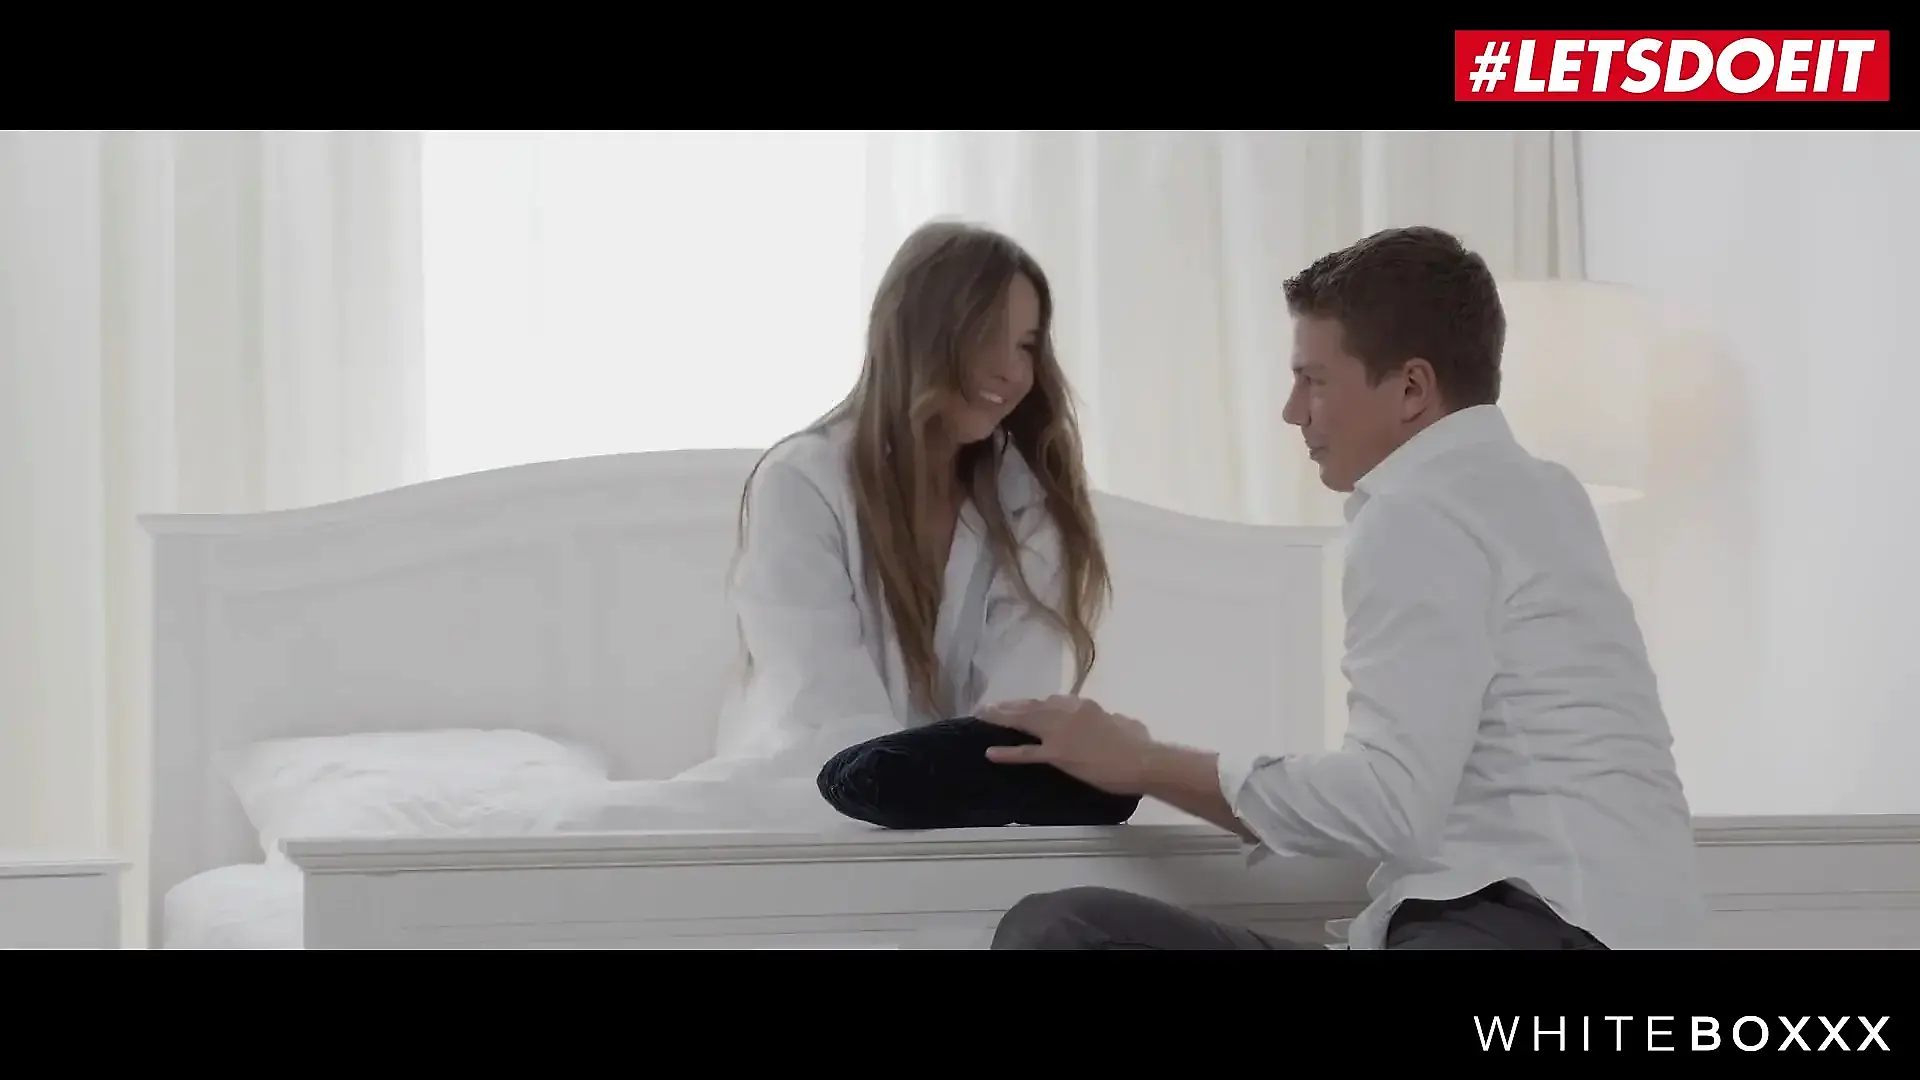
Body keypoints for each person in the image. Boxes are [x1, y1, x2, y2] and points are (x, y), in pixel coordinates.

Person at [981, 225, 1708, 950]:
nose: (1293, 411)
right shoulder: (1547, 494)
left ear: (1412, 389)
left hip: (1524, 930)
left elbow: (1390, 803)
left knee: (1060, 931)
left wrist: (1142, 761)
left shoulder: (1418, 509)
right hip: (1606, 929)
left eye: (1314, 380)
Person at [680, 220, 1112, 784]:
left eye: (1026, 346)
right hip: (805, 793)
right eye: (987, 335)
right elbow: (823, 709)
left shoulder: (1030, 506)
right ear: (918, 335)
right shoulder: (803, 484)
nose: (1012, 371)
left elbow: (1014, 717)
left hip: (969, 806)